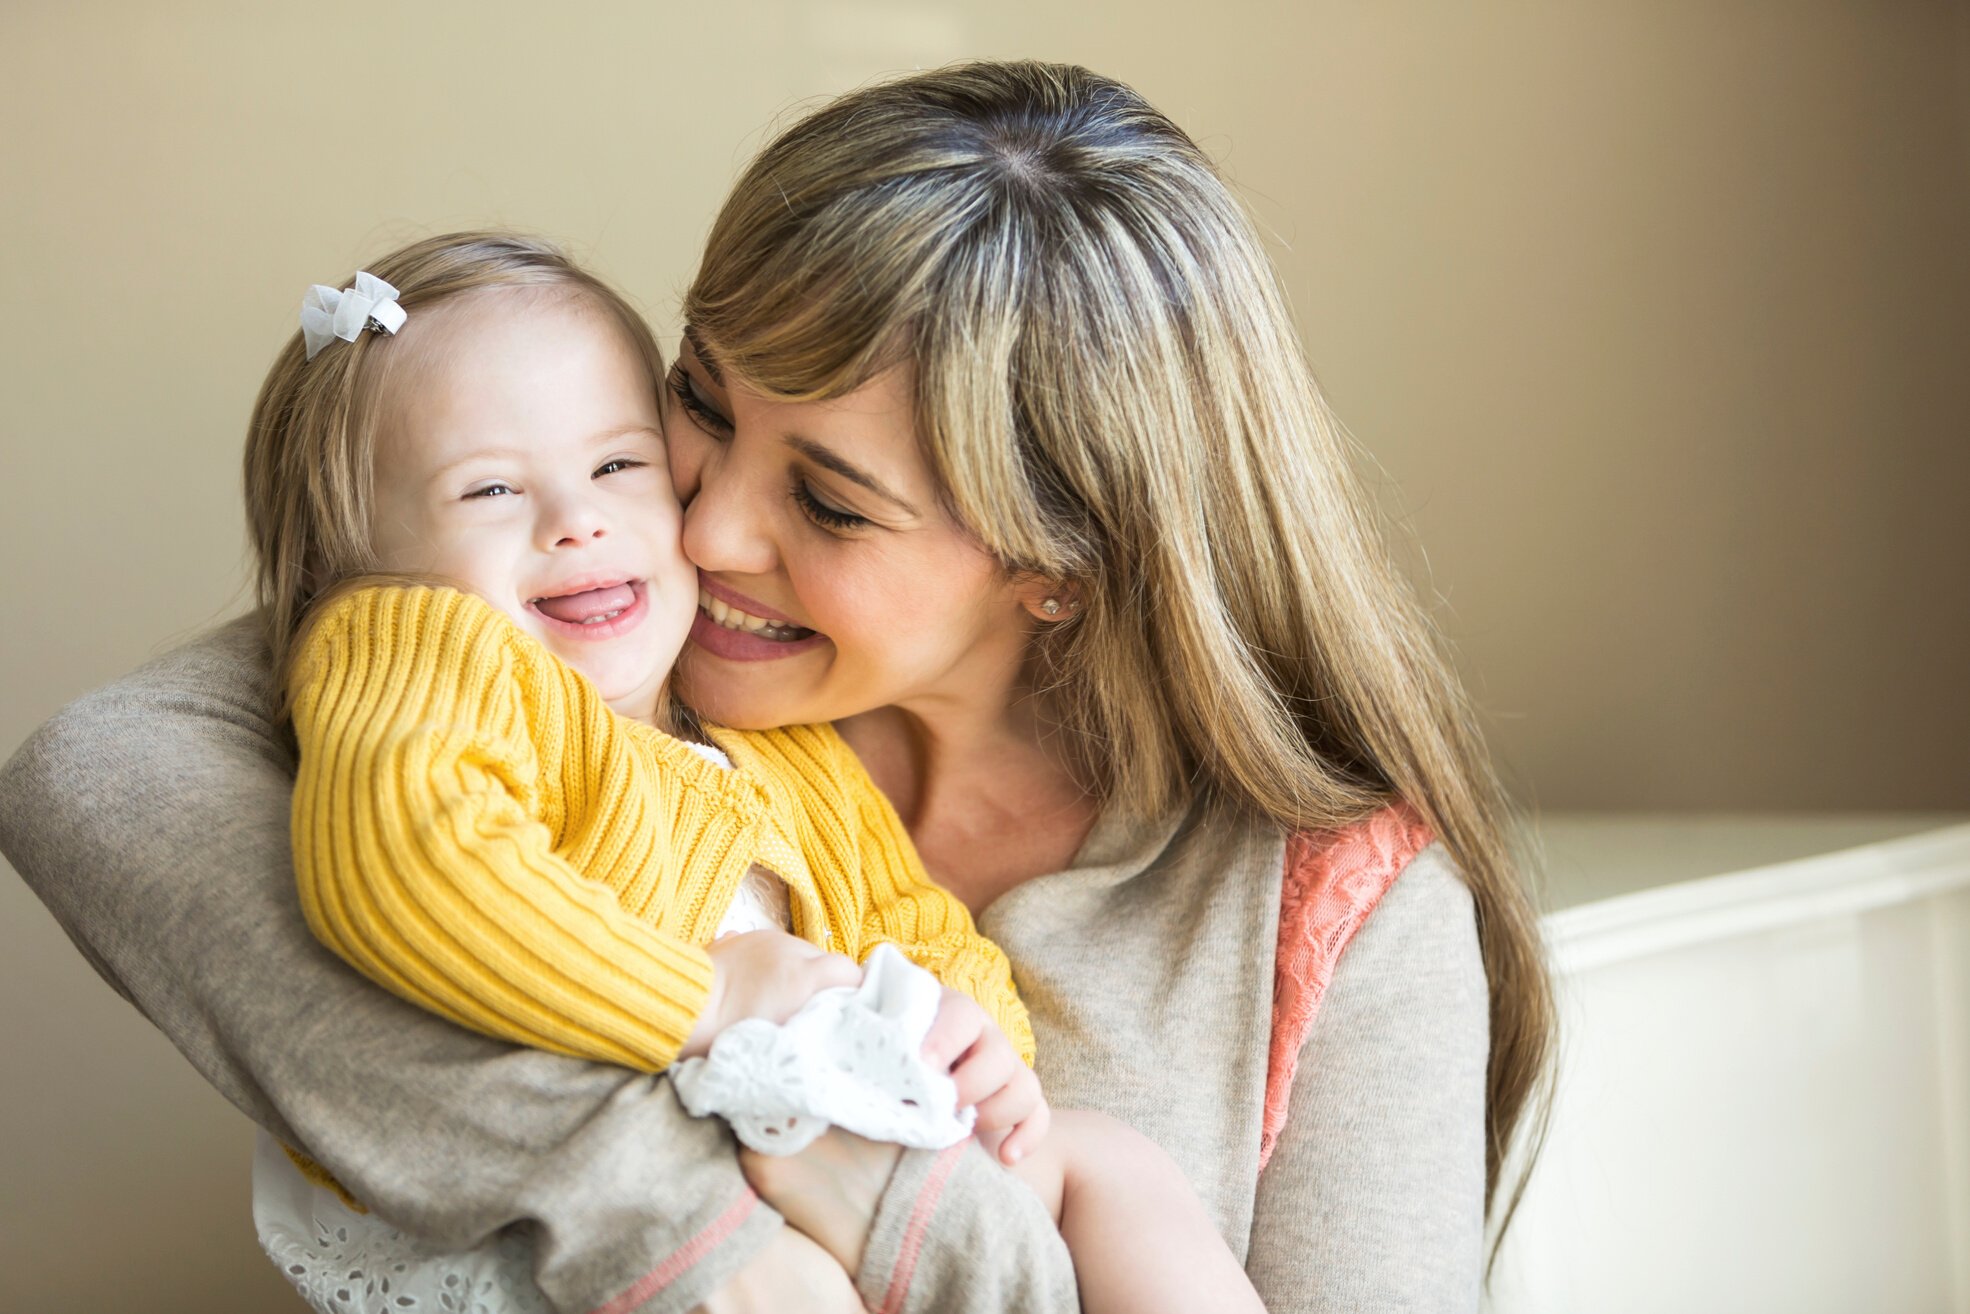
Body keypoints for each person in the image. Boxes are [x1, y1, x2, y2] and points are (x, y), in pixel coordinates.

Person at [0, 59, 1553, 1313]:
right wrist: (704, 1232)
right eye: (694, 404)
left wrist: (919, 1190)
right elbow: (97, 774)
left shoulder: (1331, 907)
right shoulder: (582, 630)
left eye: (827, 500)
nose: (703, 519)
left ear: (1057, 564)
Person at [250, 230, 1267, 1314]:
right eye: (490, 491)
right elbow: (409, 869)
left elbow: (900, 910)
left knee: (1107, 1164)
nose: (577, 520)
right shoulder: (426, 650)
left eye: (618, 465)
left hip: (799, 1119)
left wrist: (964, 1031)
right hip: (583, 1189)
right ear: (354, 560)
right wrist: (707, 995)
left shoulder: (770, 742)